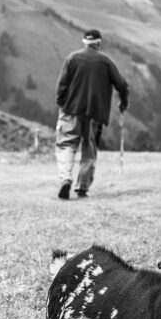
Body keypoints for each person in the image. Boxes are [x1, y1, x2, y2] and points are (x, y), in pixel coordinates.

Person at [54, 28, 130, 199]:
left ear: (84, 42)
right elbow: (122, 85)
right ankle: (82, 187)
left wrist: (62, 104)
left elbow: (62, 85)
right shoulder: (106, 62)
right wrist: (123, 102)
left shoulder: (72, 58)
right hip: (95, 113)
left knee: (66, 144)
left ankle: (66, 178)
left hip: (71, 110)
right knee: (89, 149)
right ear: (98, 43)